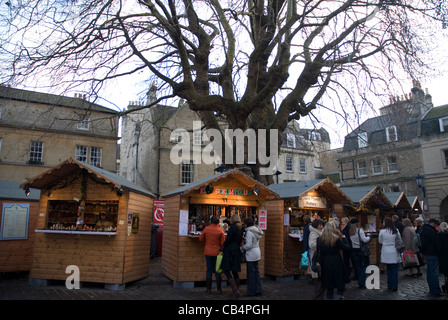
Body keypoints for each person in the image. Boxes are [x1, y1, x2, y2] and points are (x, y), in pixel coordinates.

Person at [319, 220, 351, 300]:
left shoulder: (320, 239)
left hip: (325, 262)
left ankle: (330, 297)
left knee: (329, 283)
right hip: (336, 261)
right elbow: (346, 248)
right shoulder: (336, 239)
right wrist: (344, 239)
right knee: (339, 281)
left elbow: (319, 250)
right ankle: (339, 297)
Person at [199, 216, 225, 294]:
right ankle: (219, 289)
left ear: (211, 221)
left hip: (208, 251)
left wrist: (206, 241)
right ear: (218, 222)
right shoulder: (220, 231)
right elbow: (222, 243)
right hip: (217, 252)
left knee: (209, 270)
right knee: (217, 270)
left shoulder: (206, 229)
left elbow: (200, 239)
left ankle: (208, 289)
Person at [420, 218, 445, 296]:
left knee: (430, 272)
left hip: (427, 253)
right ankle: (435, 290)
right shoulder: (430, 230)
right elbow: (436, 242)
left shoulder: (424, 229)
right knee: (433, 273)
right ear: (433, 223)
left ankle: (432, 289)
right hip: (432, 253)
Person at [221, 214, 244, 297]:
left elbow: (228, 239)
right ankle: (237, 290)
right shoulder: (240, 229)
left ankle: (235, 290)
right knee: (235, 271)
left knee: (226, 269)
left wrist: (223, 246)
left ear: (232, 220)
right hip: (237, 250)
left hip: (230, 250)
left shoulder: (232, 228)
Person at [241, 217, 263, 297]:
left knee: (250, 273)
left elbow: (249, 245)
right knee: (256, 272)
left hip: (251, 254)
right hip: (257, 252)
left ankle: (251, 291)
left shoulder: (249, 232)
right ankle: (258, 289)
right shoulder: (256, 230)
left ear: (246, 224)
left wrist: (242, 248)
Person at [379, 217, 401, 291]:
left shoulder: (382, 231)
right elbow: (399, 240)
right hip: (394, 250)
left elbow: (380, 241)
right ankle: (394, 285)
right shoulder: (396, 230)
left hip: (386, 250)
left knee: (389, 268)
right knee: (394, 269)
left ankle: (389, 284)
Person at [349, 218, 371, 288]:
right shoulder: (359, 230)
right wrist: (369, 236)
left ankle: (359, 280)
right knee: (366, 264)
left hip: (354, 250)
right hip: (361, 250)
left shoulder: (350, 231)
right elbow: (365, 240)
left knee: (358, 266)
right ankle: (361, 281)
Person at [309, 219, 324, 283]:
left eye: (322, 225)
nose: (321, 226)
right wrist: (322, 246)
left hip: (320, 254)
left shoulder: (320, 232)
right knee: (317, 268)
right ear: (316, 226)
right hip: (316, 254)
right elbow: (312, 245)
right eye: (320, 225)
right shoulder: (313, 233)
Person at [437, 222, 448, 294]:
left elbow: (439, 247)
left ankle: (446, 285)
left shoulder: (440, 235)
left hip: (444, 256)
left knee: (446, 273)